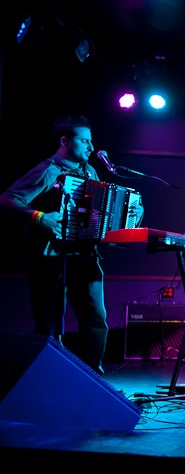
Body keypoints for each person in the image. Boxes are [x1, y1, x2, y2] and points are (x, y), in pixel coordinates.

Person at [0, 115, 144, 376]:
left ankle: (93, 376)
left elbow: (98, 213)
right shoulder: (49, 170)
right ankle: (48, 376)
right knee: (51, 323)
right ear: (65, 141)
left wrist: (124, 216)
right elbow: (8, 199)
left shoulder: (90, 172)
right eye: (85, 141)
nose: (91, 147)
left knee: (96, 319)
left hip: (85, 255)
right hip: (50, 257)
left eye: (91, 141)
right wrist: (39, 216)